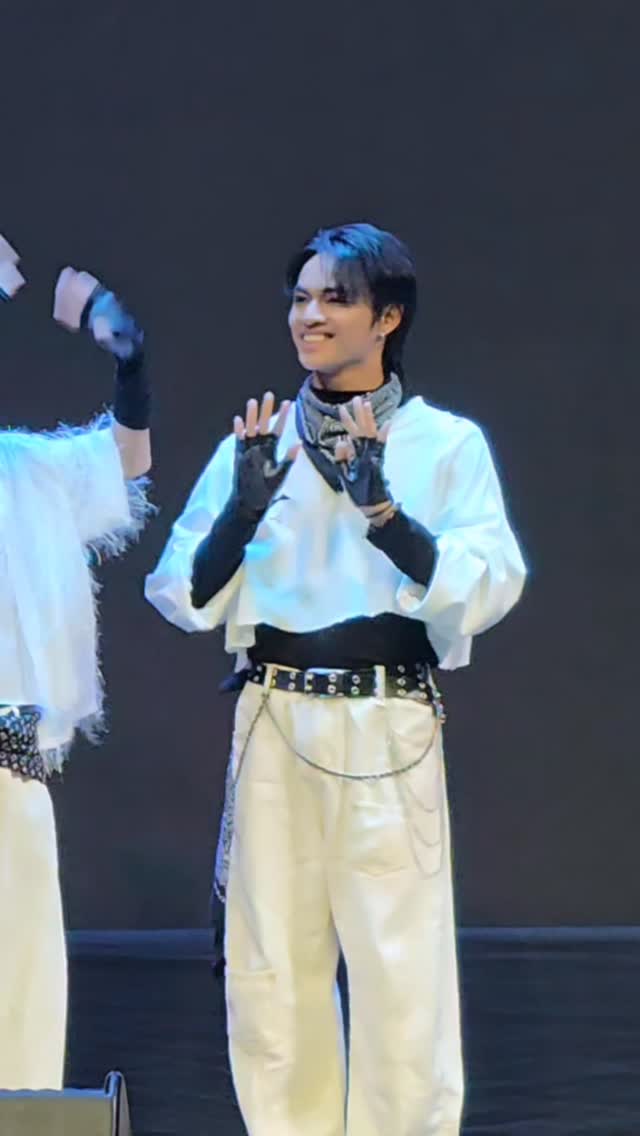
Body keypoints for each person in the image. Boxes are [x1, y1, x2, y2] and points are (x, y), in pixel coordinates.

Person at [145, 222, 526, 1136]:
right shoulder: (259, 442)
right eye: (300, 298)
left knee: (401, 965)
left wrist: (386, 515)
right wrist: (240, 513)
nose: (308, 317)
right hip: (275, 714)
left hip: (385, 717)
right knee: (270, 964)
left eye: (334, 299)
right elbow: (181, 594)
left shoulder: (443, 443)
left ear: (387, 317)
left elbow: (489, 582)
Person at [0, 239, 153, 1091]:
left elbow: (123, 460)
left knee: (20, 1007)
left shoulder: (27, 473)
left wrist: (132, 367)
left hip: (7, 775)